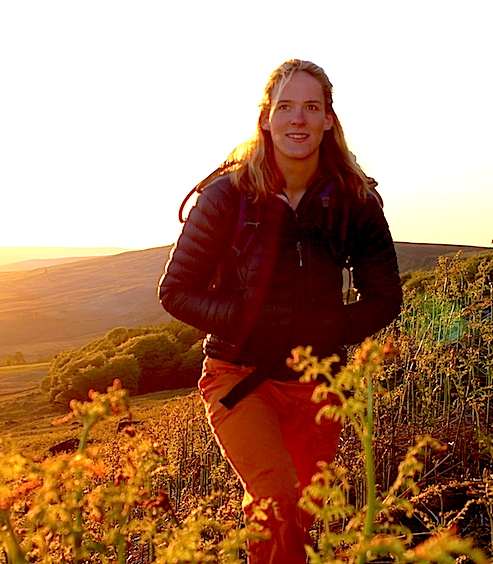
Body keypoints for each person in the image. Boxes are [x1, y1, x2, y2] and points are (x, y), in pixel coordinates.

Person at [158, 59, 402, 564]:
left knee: (301, 517)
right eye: (285, 107)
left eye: (311, 107)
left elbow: (385, 297)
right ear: (265, 119)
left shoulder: (354, 201)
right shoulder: (227, 197)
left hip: (319, 382)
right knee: (276, 498)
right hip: (239, 376)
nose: (298, 119)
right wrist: (247, 318)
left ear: (328, 119)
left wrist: (333, 326)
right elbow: (176, 290)